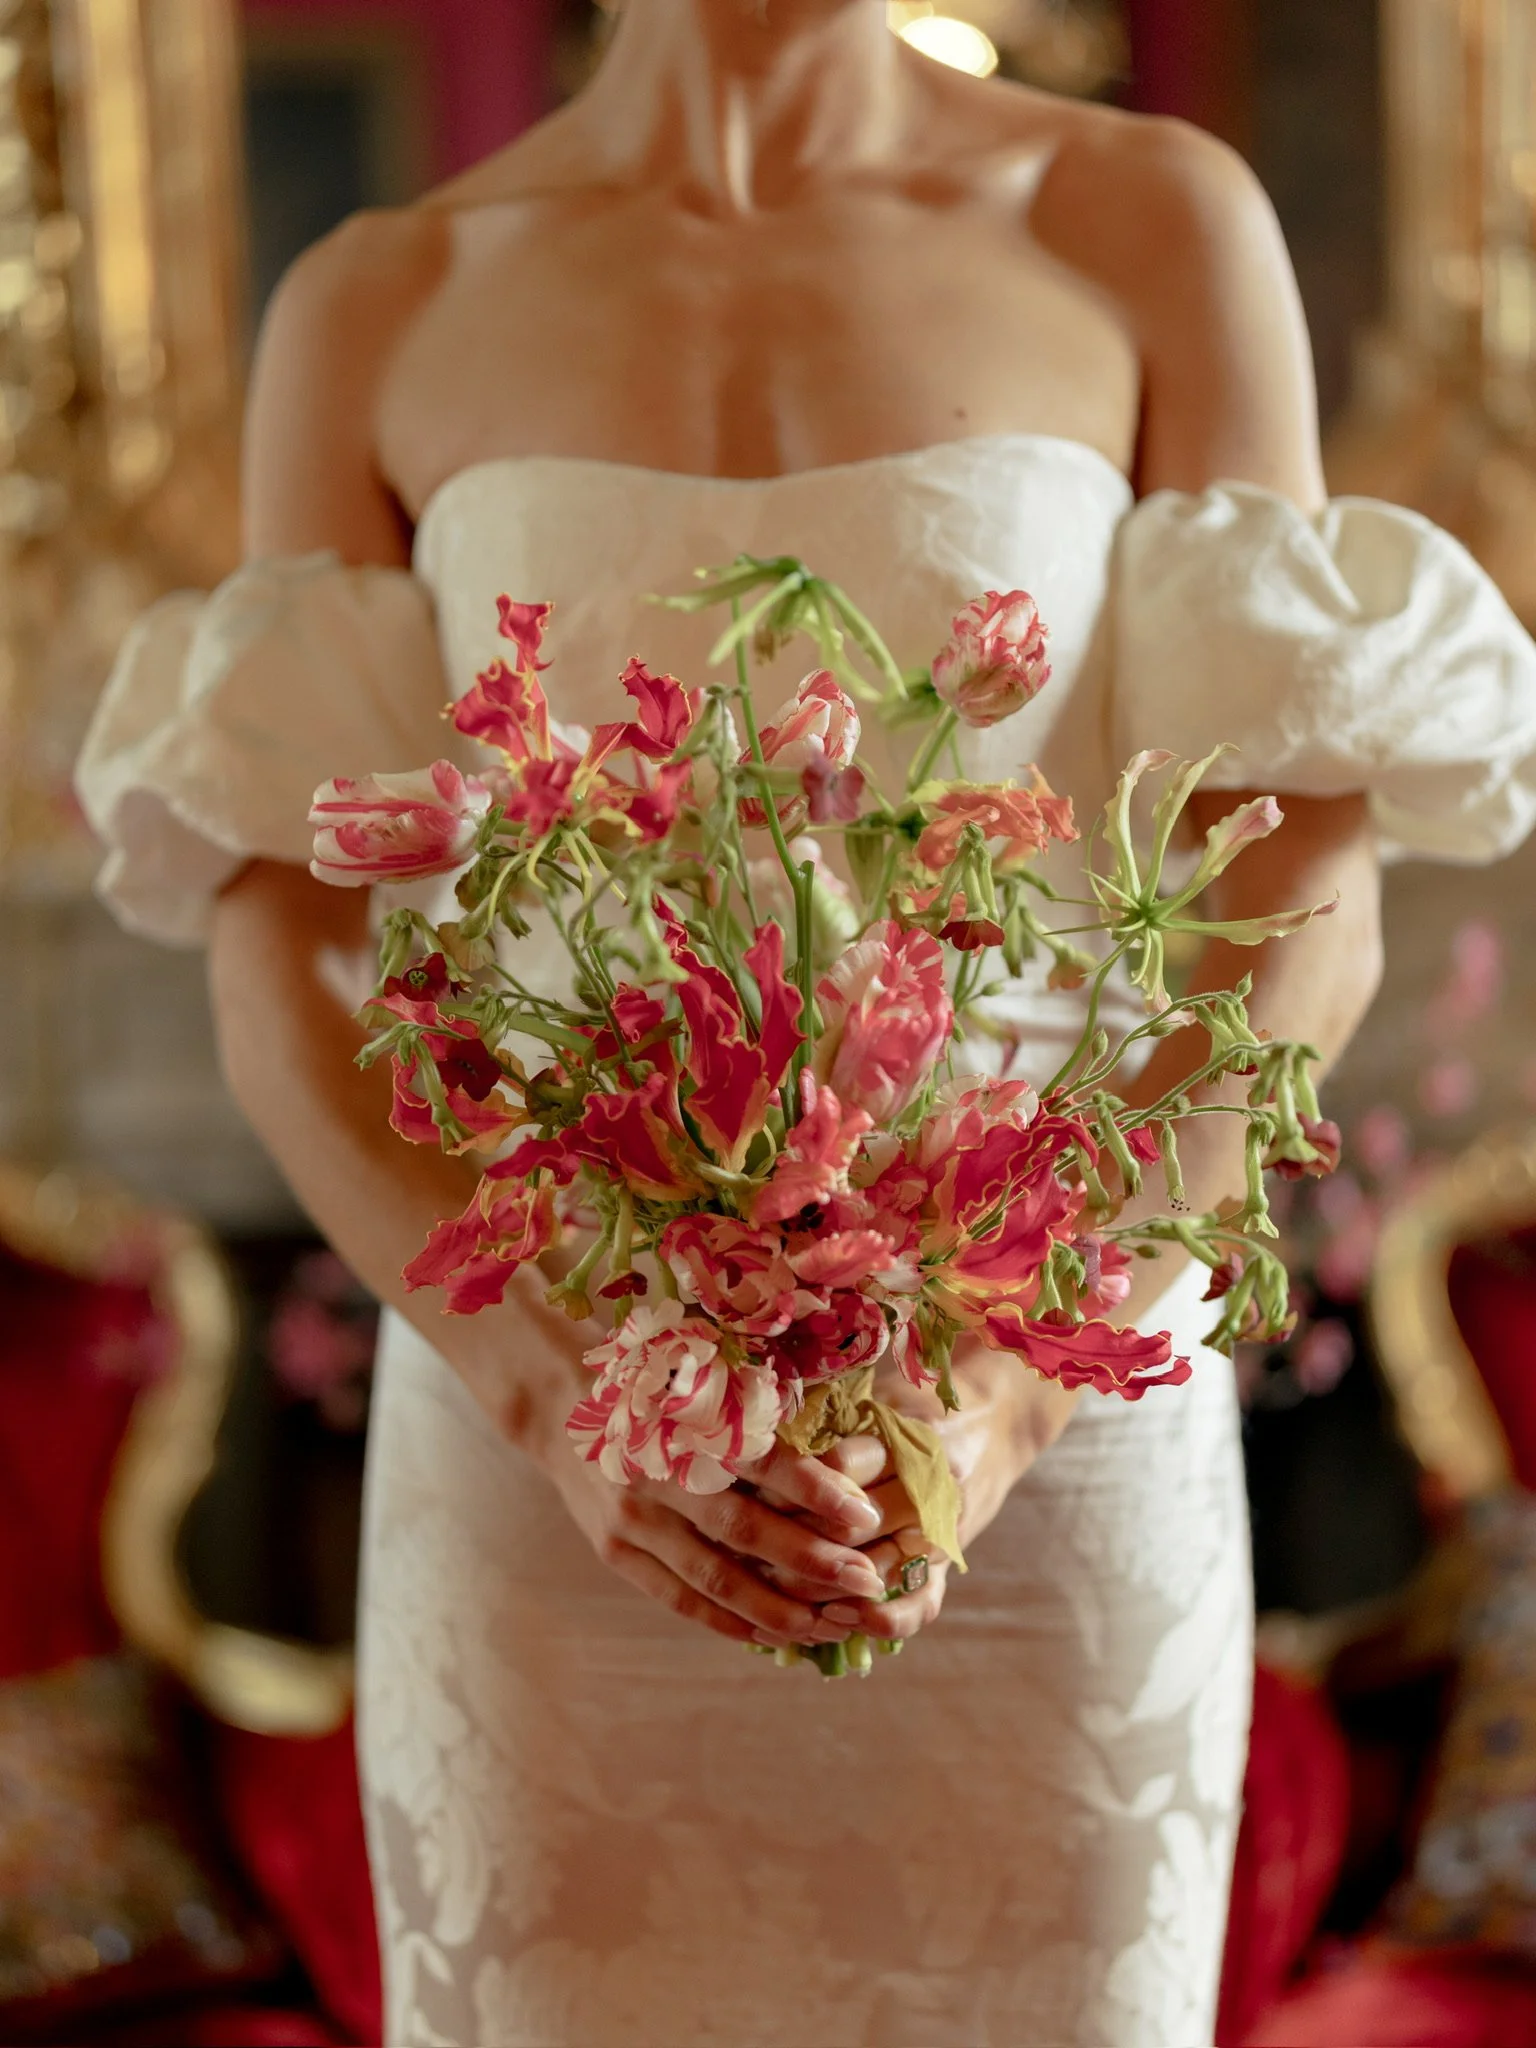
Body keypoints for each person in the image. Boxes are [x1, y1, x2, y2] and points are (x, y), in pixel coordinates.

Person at [76, 3, 1536, 2041]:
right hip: (565, 1452)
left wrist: (1013, 1390)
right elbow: (283, 958)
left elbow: (1303, 895)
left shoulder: (1145, 218)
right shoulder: (384, 297)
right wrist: (549, 1395)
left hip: (1048, 1446)